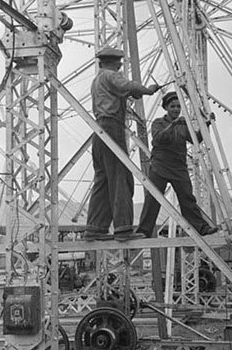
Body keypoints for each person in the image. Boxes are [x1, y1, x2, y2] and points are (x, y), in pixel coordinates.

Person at [84, 46, 160, 241]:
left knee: (103, 180)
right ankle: (123, 228)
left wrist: (131, 94)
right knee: (121, 177)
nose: (120, 65)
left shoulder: (97, 80)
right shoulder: (110, 75)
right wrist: (147, 90)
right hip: (112, 128)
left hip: (99, 130)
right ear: (114, 62)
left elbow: (121, 93)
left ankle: (95, 227)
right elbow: (129, 87)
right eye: (119, 62)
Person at [137, 91, 218, 238]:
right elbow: (157, 140)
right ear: (166, 108)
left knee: (187, 198)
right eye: (172, 106)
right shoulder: (158, 123)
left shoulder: (183, 124)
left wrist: (207, 124)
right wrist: (173, 125)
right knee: (153, 198)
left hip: (179, 167)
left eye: (178, 106)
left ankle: (201, 227)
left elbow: (195, 139)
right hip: (160, 166)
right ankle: (144, 231)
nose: (176, 109)